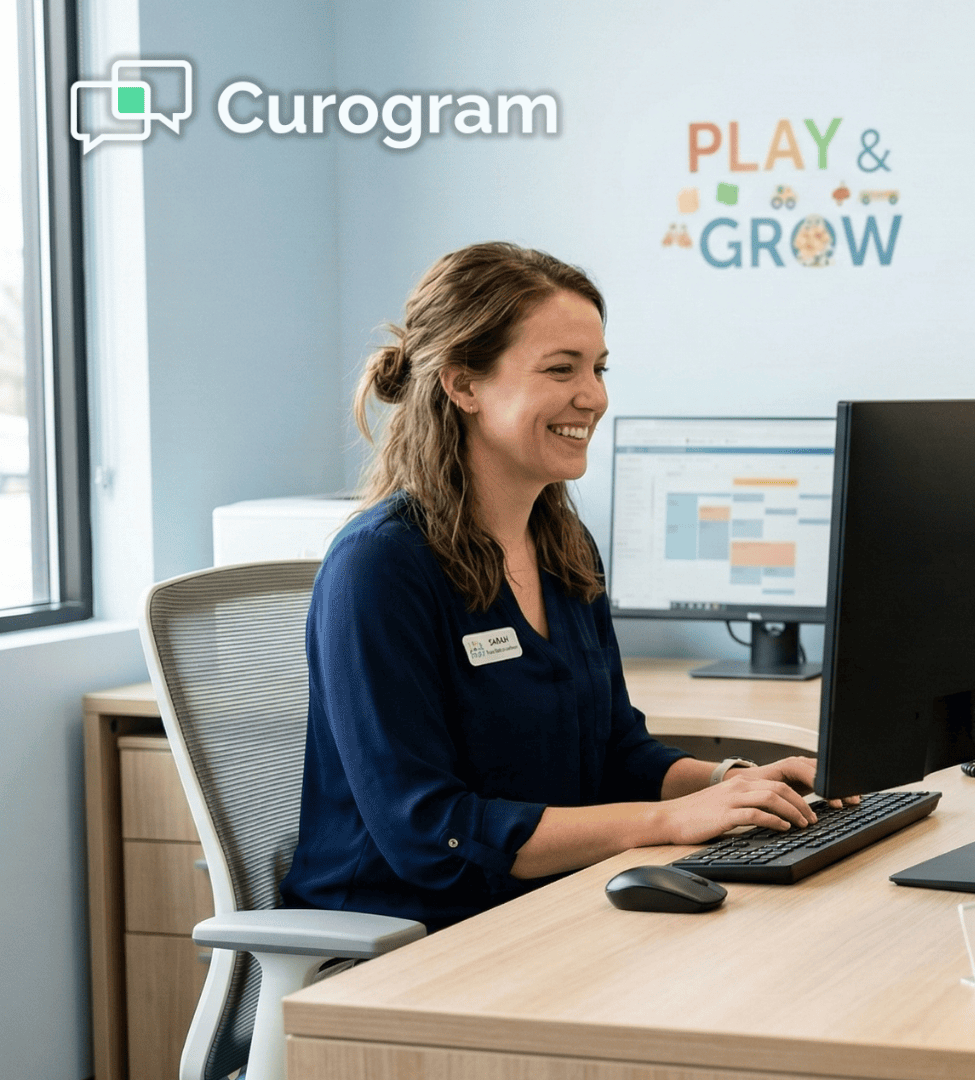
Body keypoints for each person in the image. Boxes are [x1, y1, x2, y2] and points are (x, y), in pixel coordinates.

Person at [280, 242, 838, 929]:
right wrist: (669, 820)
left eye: (598, 369)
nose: (593, 397)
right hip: (407, 934)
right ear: (463, 385)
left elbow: (617, 755)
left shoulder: (563, 550)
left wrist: (736, 784)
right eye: (560, 369)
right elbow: (431, 833)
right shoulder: (379, 567)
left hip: (547, 906)